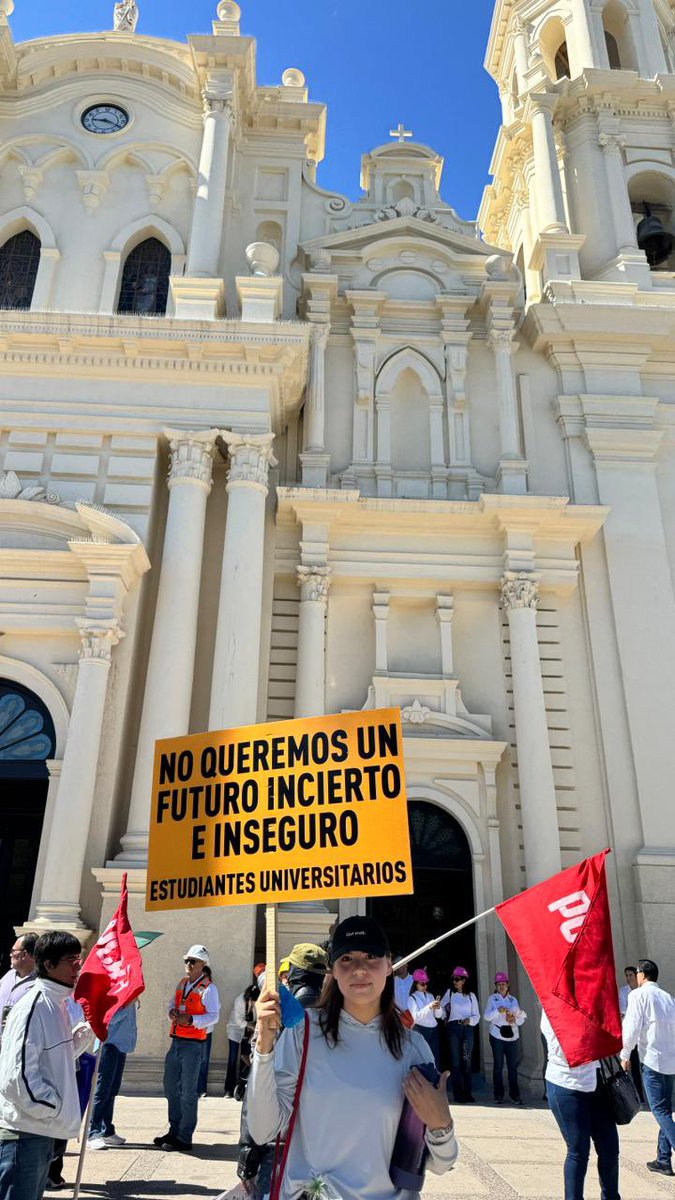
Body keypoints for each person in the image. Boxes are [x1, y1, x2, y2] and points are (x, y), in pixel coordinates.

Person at [248, 916, 458, 1200]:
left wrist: (440, 1124)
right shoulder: (302, 1034)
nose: (359, 968)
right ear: (332, 970)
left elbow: (440, 1163)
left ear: (388, 965)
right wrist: (264, 1047)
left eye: (371, 956)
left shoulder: (413, 1048)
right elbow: (263, 1131)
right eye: (346, 958)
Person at [0, 931, 93, 1200]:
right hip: (25, 1134)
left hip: (41, 1131)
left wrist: (89, 1031)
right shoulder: (34, 1006)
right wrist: (55, 1107)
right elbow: (15, 1078)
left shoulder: (58, 1004)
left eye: (79, 958)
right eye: (71, 960)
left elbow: (58, 1058)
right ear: (49, 964)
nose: (78, 966)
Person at [237, 943, 329, 1198]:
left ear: (295, 974)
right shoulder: (339, 1021)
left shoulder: (276, 1015)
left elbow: (257, 1087)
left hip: (276, 1144)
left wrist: (247, 1149)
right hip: (326, 1147)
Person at [542, 1008, 620, 1200]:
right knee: (578, 1150)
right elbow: (564, 1046)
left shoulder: (592, 999)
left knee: (610, 1148)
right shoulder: (551, 1005)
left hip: (597, 1082)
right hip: (567, 1084)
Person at [153, 944, 220, 1153]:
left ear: (203, 964)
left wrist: (191, 1019)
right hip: (176, 1041)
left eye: (193, 961)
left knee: (188, 1092)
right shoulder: (182, 983)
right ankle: (174, 1130)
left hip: (194, 1045)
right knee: (171, 1087)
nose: (189, 964)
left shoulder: (209, 989)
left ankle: (184, 1136)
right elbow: (172, 1004)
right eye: (187, 961)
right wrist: (171, 1013)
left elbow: (213, 1016)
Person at [620, 957, 675, 1178]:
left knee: (660, 1111)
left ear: (642, 975)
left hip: (652, 1061)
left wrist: (625, 1054)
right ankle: (663, 1159)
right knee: (666, 1110)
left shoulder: (638, 995)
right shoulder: (668, 998)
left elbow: (632, 1026)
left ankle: (664, 1157)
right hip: (670, 1062)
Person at [87, 1000, 138, 1150]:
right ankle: (93, 1132)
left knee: (112, 1091)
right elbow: (109, 1019)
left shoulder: (129, 996)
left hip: (120, 1046)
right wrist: (127, 1006)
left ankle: (106, 1131)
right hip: (109, 1045)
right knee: (102, 1092)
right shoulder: (113, 995)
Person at [483, 972, 526, 1105]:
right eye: (499, 984)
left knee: (512, 1067)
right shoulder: (492, 999)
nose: (501, 986)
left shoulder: (513, 1000)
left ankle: (515, 1095)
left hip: (512, 1036)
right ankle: (498, 1095)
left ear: (508, 985)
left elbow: (521, 1020)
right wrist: (498, 1011)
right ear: (496, 986)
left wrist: (514, 1019)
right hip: (497, 1035)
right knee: (498, 1066)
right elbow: (486, 1017)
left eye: (503, 984)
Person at [440, 966, 479, 1104]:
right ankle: (458, 1094)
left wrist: (470, 1020)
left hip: (467, 1028)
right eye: (453, 979)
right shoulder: (450, 993)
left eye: (457, 979)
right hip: (453, 1028)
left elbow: (477, 1015)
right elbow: (441, 1009)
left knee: (467, 1060)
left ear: (464, 980)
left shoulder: (471, 996)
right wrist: (442, 1013)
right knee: (455, 1062)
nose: (454, 982)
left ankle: (468, 1093)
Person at [0, 935, 38, 1047]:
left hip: (16, 1048)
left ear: (24, 954)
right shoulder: (8, 975)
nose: (10, 954)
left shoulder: (39, 984)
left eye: (13, 951)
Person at [225, 984, 259, 1099]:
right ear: (249, 998)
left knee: (247, 1056)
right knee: (233, 1058)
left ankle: (243, 1085)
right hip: (235, 1029)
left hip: (249, 1031)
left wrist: (254, 1032)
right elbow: (239, 1021)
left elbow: (258, 1018)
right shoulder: (240, 1000)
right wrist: (252, 1027)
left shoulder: (258, 1003)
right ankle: (228, 1089)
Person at [407, 969, 442, 1067]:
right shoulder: (411, 998)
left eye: (426, 983)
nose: (425, 986)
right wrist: (429, 1006)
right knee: (423, 1059)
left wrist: (438, 1007)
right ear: (416, 984)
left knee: (435, 1058)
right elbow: (416, 1017)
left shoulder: (430, 996)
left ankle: (436, 1081)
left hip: (434, 1030)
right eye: (422, 984)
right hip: (421, 1030)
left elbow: (438, 1016)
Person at [197, 965, 217, 1098]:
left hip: (206, 1032)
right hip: (193, 1031)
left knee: (204, 1061)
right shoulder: (192, 989)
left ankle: (201, 1088)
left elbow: (215, 1012)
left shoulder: (211, 990)